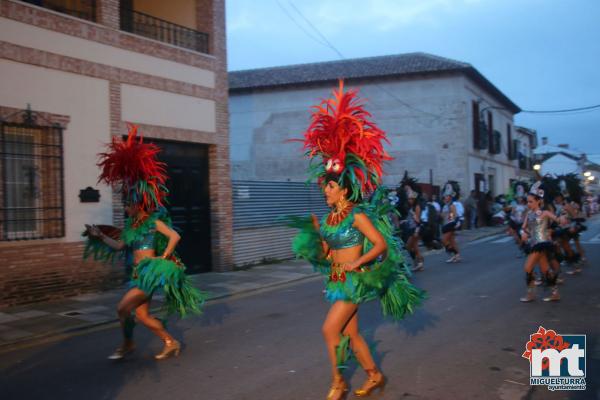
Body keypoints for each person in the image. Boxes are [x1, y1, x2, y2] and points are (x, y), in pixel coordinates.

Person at [289, 81, 425, 399]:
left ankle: (339, 382)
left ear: (344, 189)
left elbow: (378, 245)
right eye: (324, 186)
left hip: (355, 280)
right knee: (351, 334)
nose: (325, 190)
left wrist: (358, 262)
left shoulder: (356, 215)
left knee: (329, 330)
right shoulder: (329, 219)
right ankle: (374, 375)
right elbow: (326, 253)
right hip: (337, 279)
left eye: (330, 187)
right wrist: (314, 235)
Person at [83, 125, 206, 360]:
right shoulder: (131, 227)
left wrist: (165, 256)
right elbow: (119, 247)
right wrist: (100, 236)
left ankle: (128, 344)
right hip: (136, 275)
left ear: (137, 205)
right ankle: (170, 342)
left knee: (122, 309)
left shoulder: (151, 221)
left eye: (127, 205)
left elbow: (174, 236)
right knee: (142, 317)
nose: (125, 209)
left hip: (149, 274)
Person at [519, 182, 560, 302]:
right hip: (533, 244)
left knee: (527, 267)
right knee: (545, 269)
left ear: (538, 201)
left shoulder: (545, 213)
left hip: (542, 244)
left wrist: (560, 220)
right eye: (527, 201)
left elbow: (557, 221)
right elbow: (523, 228)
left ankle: (531, 294)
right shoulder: (529, 214)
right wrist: (524, 234)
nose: (528, 204)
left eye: (531, 201)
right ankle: (555, 293)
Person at [440, 181, 462, 263]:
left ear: (450, 197)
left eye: (447, 196)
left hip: (450, 225)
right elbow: (443, 216)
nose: (445, 198)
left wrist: (453, 220)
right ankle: (456, 256)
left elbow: (454, 216)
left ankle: (455, 254)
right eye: (444, 196)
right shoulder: (445, 206)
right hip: (446, 224)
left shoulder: (451, 205)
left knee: (444, 240)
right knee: (452, 241)